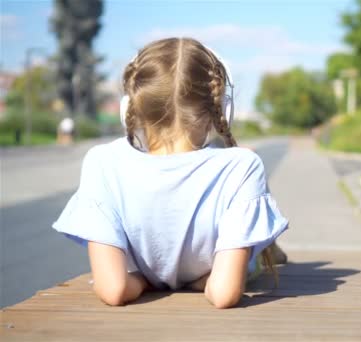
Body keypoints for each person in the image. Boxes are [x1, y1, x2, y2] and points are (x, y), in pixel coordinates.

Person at [51, 37, 289, 309]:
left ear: (129, 107)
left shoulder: (102, 162)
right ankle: (270, 248)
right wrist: (199, 283)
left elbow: (113, 290)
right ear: (223, 108)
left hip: (146, 278)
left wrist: (141, 281)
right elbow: (223, 293)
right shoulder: (243, 165)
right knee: (256, 258)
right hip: (217, 271)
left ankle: (270, 248)